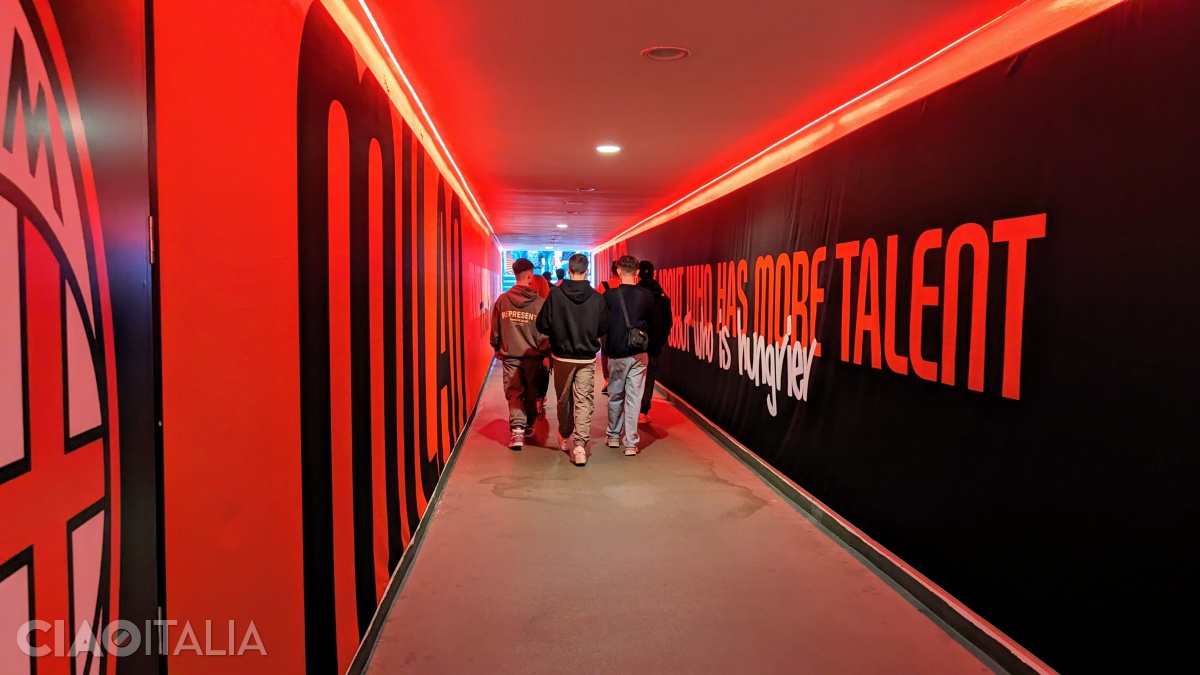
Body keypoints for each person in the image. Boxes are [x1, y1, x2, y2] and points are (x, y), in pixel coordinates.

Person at [536, 253, 608, 466]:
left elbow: (542, 325)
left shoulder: (555, 295)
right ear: (587, 271)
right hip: (586, 358)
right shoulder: (597, 298)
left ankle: (565, 434)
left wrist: (559, 332)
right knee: (584, 401)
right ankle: (580, 446)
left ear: (568, 270)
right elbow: (604, 327)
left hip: (561, 357)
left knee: (563, 399)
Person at [490, 258, 549, 449]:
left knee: (514, 391)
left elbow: (495, 330)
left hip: (511, 356)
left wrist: (497, 347)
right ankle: (529, 424)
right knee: (532, 392)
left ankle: (517, 431)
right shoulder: (540, 304)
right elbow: (545, 335)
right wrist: (545, 353)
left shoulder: (502, 300)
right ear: (530, 275)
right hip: (533, 356)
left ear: (514, 274)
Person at [601, 255, 655, 456]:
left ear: (618, 272)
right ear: (637, 272)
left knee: (616, 395)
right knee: (634, 398)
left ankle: (613, 436)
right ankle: (631, 442)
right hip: (639, 353)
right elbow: (650, 321)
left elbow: (603, 325)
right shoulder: (647, 296)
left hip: (617, 353)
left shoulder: (609, 296)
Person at [637, 260, 673, 423]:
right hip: (654, 345)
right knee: (650, 376)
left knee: (633, 377)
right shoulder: (663, 297)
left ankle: (632, 409)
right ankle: (644, 411)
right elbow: (668, 323)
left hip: (636, 345)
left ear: (638, 274)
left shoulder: (635, 294)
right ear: (654, 273)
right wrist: (660, 341)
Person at [595, 260, 622, 394]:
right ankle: (619, 381)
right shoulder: (628, 286)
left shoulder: (603, 285)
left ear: (611, 271)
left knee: (605, 352)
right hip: (622, 326)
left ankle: (607, 380)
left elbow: (597, 306)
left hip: (606, 325)